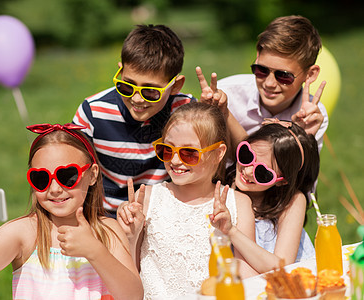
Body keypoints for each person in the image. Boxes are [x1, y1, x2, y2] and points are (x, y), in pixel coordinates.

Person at [0, 123, 143, 300]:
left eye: (67, 175)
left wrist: (95, 252)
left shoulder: (107, 231)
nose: (55, 189)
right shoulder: (25, 233)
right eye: (41, 178)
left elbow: (133, 295)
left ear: (92, 175)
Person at [117, 102, 255, 298]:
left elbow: (249, 276)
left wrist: (230, 231)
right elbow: (129, 279)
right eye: (167, 149)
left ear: (218, 153)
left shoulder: (238, 203)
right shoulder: (147, 199)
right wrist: (130, 237)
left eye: (189, 153)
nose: (174, 161)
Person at [72, 24, 203, 215]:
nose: (137, 98)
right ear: (121, 71)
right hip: (108, 216)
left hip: (166, 213)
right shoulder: (92, 112)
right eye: (127, 85)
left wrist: (217, 115)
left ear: (175, 86)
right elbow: (73, 174)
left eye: (150, 91)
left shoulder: (186, 110)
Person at [211, 120, 320, 275]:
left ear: (282, 181)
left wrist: (232, 232)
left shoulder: (293, 201)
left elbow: (281, 266)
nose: (248, 171)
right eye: (246, 155)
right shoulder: (221, 187)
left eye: (263, 173)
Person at [213, 15, 328, 151]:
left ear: (310, 74)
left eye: (283, 76)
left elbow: (299, 172)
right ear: (257, 57)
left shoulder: (312, 118)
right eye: (261, 70)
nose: (269, 83)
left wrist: (301, 138)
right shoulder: (226, 94)